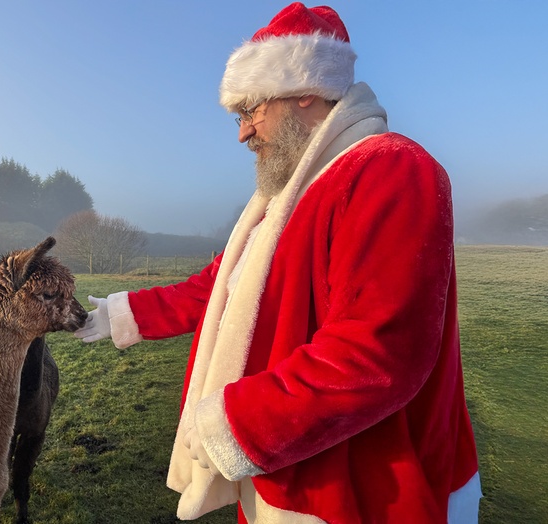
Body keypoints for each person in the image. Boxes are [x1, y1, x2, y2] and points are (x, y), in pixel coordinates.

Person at [73, 3, 482, 523]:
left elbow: (378, 352)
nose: (242, 133)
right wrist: (118, 313)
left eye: (250, 110)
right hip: (288, 472)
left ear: (304, 88)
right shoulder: (286, 198)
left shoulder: (391, 169)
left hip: (365, 491)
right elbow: (216, 286)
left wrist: (234, 421)